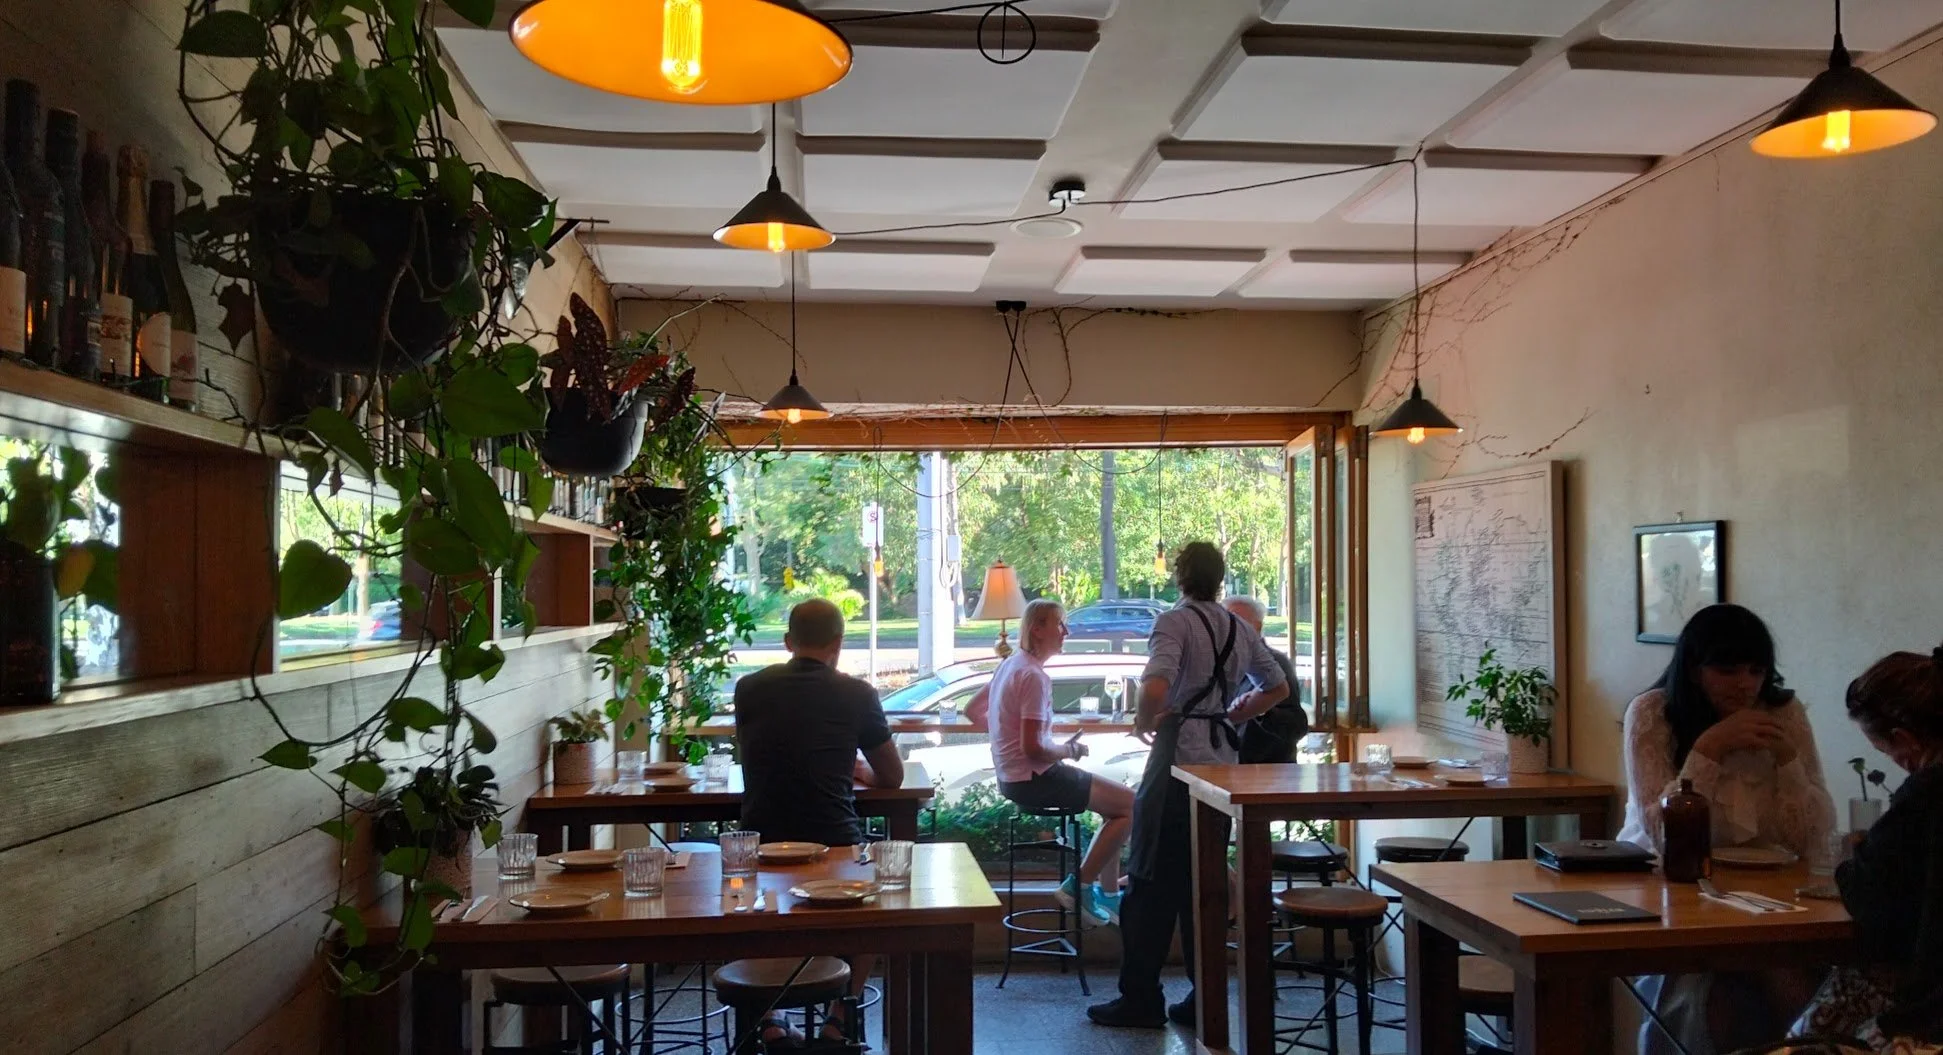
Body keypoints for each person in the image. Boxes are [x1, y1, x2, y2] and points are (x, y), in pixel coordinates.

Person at [1616, 603, 1835, 1055]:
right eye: (1728, 670)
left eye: (1756, 670)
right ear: (1695, 670)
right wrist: (1707, 751)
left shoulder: (1784, 713)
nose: (1745, 684)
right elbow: (1664, 837)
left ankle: (1813, 1045)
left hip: (1768, 890)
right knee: (1730, 986)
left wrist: (1788, 760)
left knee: (1784, 964)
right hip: (1670, 887)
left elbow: (1813, 836)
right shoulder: (1653, 712)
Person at [1088, 542, 1289, 1030]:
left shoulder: (1173, 622)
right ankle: (1206, 995)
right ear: (1219, 579)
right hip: (1221, 765)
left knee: (1147, 881)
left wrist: (1143, 720)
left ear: (1180, 577)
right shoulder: (1238, 627)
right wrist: (1236, 712)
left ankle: (1141, 998)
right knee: (1205, 883)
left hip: (1176, 763)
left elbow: (1156, 683)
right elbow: (1277, 686)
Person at [733, 598, 904, 1043]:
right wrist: (860, 772)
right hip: (834, 842)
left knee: (746, 908)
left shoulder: (748, 688)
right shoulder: (858, 694)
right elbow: (893, 776)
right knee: (877, 911)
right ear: (838, 644)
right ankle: (839, 1018)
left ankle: (768, 1020)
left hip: (761, 845)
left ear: (788, 642)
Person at [1791, 644, 1943, 1053]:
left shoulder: (1927, 792)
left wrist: (1854, 856)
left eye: (1886, 751)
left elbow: (1870, 895)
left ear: (1904, 738)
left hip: (1926, 1019)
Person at [984, 598, 1135, 924]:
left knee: (1117, 807)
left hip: (1012, 778)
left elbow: (974, 710)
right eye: (1060, 624)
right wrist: (1070, 750)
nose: (1066, 632)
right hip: (1034, 778)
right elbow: (1033, 749)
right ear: (1038, 629)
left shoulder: (1010, 665)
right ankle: (1079, 886)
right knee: (1131, 806)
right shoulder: (1033, 676)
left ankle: (1108, 895)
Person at [1222, 595, 1309, 762]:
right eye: (1225, 622)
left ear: (1258, 626)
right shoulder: (1224, 664)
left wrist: (1262, 708)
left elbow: (1296, 725)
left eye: (1238, 621)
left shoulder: (1275, 665)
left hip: (1266, 770)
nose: (1230, 628)